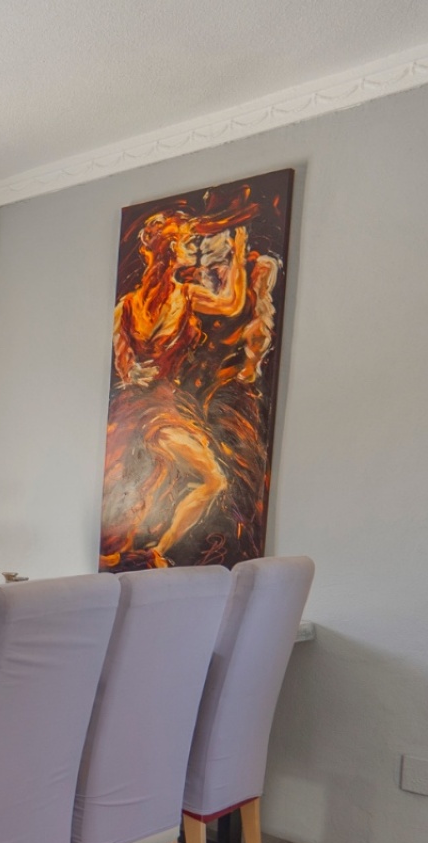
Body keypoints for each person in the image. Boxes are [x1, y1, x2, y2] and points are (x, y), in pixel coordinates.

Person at [100, 203, 281, 569]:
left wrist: (133, 373)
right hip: (152, 414)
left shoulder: (128, 305)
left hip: (148, 411)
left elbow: (124, 367)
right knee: (210, 480)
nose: (192, 251)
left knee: (160, 485)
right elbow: (231, 303)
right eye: (187, 243)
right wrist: (239, 250)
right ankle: (157, 553)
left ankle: (153, 553)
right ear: (171, 250)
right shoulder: (177, 298)